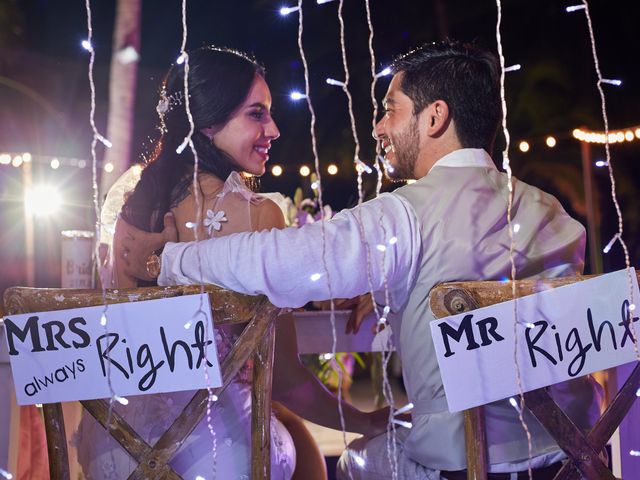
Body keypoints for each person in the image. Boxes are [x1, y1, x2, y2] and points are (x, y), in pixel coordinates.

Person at [120, 41, 601, 479]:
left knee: (355, 461)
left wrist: (168, 260)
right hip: (574, 458)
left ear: (434, 118)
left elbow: (277, 262)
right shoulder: (551, 211)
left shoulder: (405, 217)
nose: (378, 126)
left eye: (391, 109)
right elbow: (494, 279)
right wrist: (397, 287)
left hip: (465, 466)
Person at [78, 46, 387, 480]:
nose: (274, 129)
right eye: (257, 114)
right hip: (219, 455)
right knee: (298, 439)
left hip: (113, 452)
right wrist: (363, 420)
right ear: (208, 121)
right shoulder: (259, 214)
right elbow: (283, 379)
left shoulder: (127, 205)